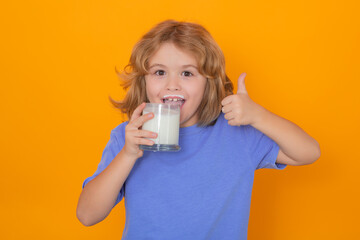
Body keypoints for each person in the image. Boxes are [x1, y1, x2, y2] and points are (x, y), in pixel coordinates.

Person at [76, 20, 320, 239]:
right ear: (144, 81)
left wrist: (259, 116)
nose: (172, 84)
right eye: (160, 72)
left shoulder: (236, 134)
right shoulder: (127, 136)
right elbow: (87, 215)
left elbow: (309, 152)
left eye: (187, 73)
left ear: (209, 83)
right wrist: (128, 154)